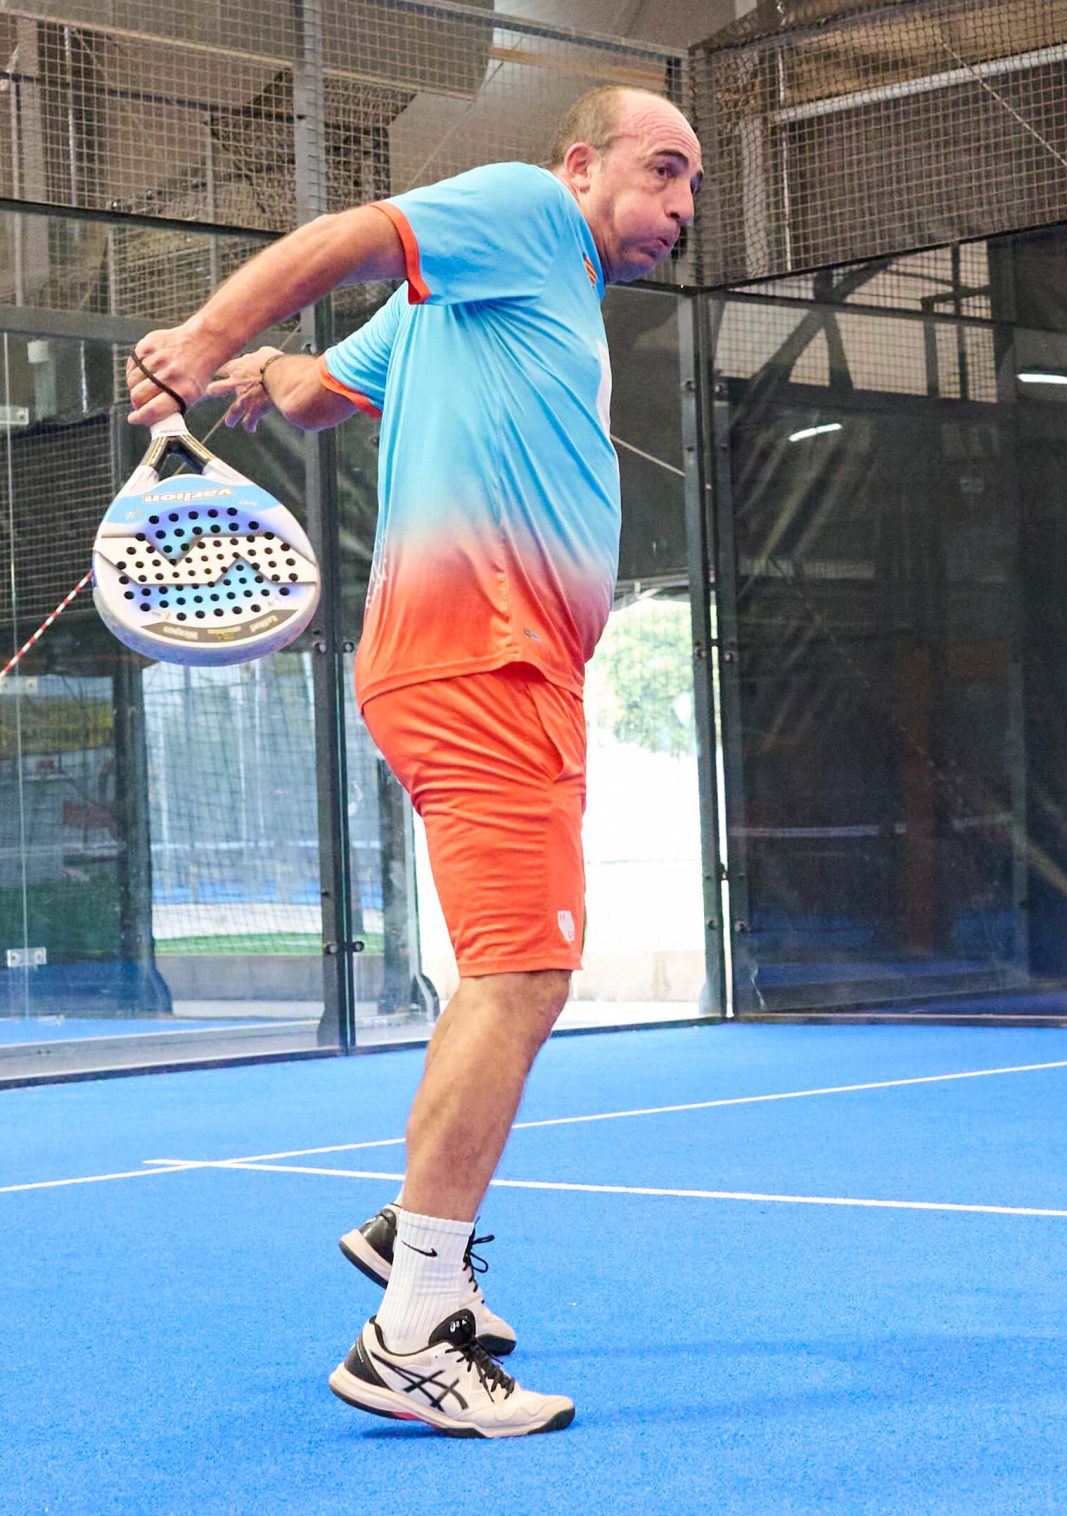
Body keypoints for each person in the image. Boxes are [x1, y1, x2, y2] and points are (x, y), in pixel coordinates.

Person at [125, 85, 702, 1436]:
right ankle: (411, 1331)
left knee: (515, 970)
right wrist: (206, 338)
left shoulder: (483, 299)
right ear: (581, 166)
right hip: (478, 658)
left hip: (501, 670)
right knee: (521, 975)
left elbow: (323, 395)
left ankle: (413, 1234)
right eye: (662, 169)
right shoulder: (527, 215)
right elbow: (346, 237)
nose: (682, 206)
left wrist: (270, 373)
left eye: (693, 187)